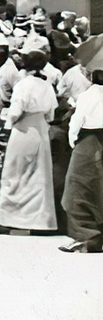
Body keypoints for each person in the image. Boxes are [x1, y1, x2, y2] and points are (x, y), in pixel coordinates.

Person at [0, 42, 59, 234]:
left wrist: (7, 123)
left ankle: (13, 219)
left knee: (15, 173)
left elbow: (15, 110)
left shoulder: (24, 84)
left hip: (23, 128)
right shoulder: (46, 85)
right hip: (40, 128)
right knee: (39, 174)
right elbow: (51, 114)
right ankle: (39, 220)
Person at [60, 65, 103, 252]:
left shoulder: (89, 95)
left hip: (89, 140)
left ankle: (87, 236)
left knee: (77, 189)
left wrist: (73, 140)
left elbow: (76, 122)